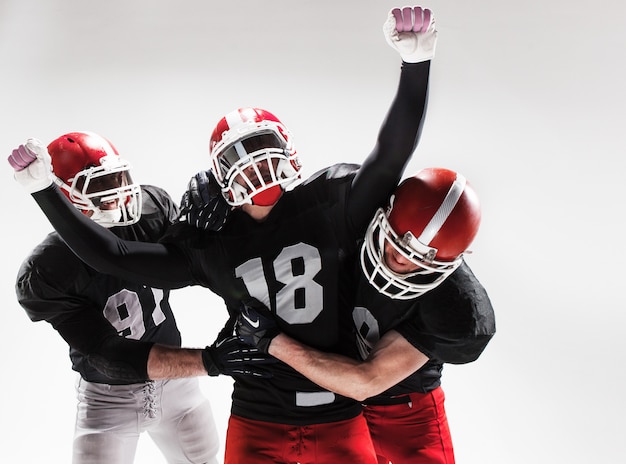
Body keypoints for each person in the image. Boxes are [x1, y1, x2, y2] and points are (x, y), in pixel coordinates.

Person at [9, 6, 437, 463]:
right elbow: (113, 256)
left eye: (263, 148)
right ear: (217, 176)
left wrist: (416, 64)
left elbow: (391, 156)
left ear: (290, 149)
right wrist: (44, 191)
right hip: (258, 409)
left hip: (337, 407)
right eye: (242, 155)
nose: (257, 165)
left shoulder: (327, 203)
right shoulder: (213, 241)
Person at [235, 167, 497, 464]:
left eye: (419, 259)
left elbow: (366, 381)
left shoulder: (453, 302)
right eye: (396, 240)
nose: (400, 258)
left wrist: (271, 341)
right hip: (338, 408)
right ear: (385, 211)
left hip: (406, 412)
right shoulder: (352, 220)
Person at [12, 131, 228, 464]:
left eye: (115, 179)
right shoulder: (49, 269)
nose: (114, 194)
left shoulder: (152, 211)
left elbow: (193, 270)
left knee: (206, 459)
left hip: (177, 388)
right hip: (107, 398)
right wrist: (211, 360)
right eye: (97, 185)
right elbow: (108, 356)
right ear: (65, 194)